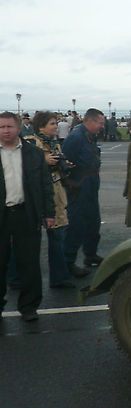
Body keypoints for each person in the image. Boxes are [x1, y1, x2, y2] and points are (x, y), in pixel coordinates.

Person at [1, 112, 55, 322]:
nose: (5, 131)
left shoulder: (33, 153)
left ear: (18, 128)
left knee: (29, 263)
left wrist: (49, 213)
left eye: (9, 127)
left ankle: (29, 306)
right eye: (1, 127)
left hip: (26, 214)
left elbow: (45, 185)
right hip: (2, 215)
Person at [24, 111, 76, 288]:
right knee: (28, 239)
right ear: (41, 127)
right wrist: (44, 160)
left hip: (56, 192)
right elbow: (27, 168)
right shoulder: (33, 143)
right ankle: (18, 278)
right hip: (40, 196)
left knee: (58, 235)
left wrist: (63, 164)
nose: (56, 126)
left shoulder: (54, 144)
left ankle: (60, 276)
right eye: (52, 124)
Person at [62, 107, 105, 274]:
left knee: (93, 221)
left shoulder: (89, 137)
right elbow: (66, 162)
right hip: (80, 184)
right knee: (76, 224)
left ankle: (90, 254)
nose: (102, 126)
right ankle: (68, 261)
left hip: (91, 182)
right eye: (100, 123)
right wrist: (72, 183)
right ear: (91, 121)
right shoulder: (76, 137)